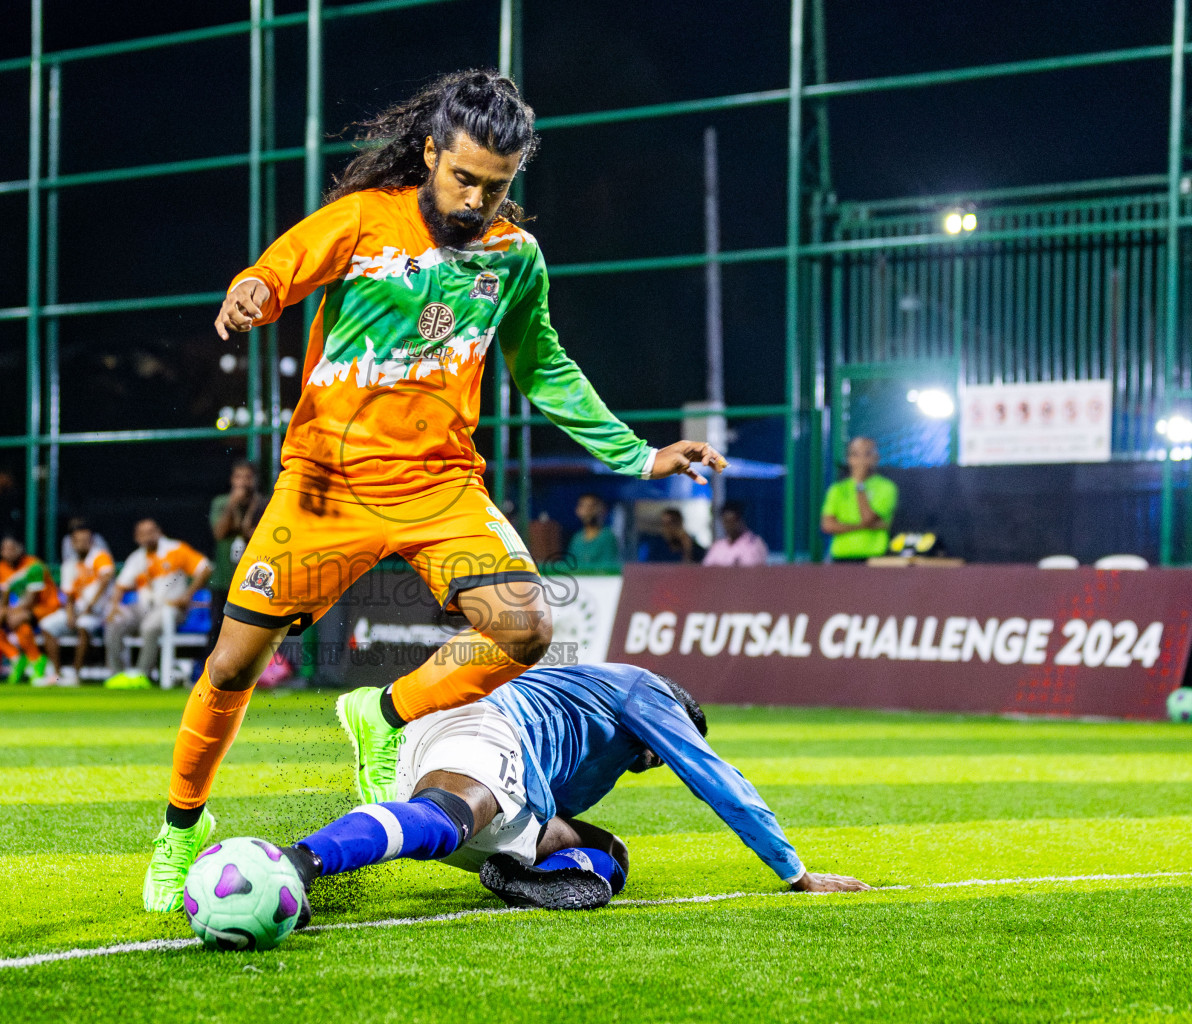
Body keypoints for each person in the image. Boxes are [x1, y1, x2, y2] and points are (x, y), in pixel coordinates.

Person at [143, 69, 724, 914]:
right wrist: (253, 293)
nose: (478, 199)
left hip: (440, 485)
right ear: (429, 154)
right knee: (232, 665)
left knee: (525, 627)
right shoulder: (363, 221)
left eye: (497, 185)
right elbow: (280, 269)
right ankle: (181, 833)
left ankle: (384, 713)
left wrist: (637, 456)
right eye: (464, 179)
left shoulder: (513, 259)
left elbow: (544, 367)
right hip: (325, 487)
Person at [267, 661, 867, 923]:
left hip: (496, 786)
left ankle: (522, 875)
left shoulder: (600, 739)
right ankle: (300, 861)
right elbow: (717, 780)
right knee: (452, 812)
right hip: (481, 728)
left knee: (609, 854)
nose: (655, 762)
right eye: (667, 745)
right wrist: (795, 873)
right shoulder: (643, 691)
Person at [104, 519, 212, 690]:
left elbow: (205, 568)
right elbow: (120, 585)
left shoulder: (175, 549)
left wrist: (187, 596)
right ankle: (117, 675)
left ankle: (141, 675)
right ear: (137, 537)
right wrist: (115, 606)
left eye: (151, 532)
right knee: (115, 621)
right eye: (143, 534)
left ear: (158, 532)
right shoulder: (137, 557)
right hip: (143, 607)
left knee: (149, 626)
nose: (147, 537)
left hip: (170, 608)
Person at [40, 519, 115, 685]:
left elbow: (106, 577)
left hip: (99, 611)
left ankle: (75, 674)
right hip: (79, 609)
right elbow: (69, 595)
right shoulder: (69, 564)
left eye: (85, 541)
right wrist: (69, 614)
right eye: (78, 541)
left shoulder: (99, 556)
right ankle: (57, 674)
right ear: (72, 543)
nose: (81, 544)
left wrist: (90, 605)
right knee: (47, 625)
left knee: (84, 625)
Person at [0, 534, 62, 685]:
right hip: (24, 610)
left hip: (47, 608)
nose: (7, 552)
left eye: (12, 548)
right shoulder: (2, 567)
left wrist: (7, 613)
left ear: (21, 549)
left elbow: (32, 600)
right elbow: (4, 599)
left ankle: (37, 661)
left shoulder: (34, 566)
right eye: (4, 549)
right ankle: (18, 658)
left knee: (18, 620)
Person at [207, 462, 265, 651]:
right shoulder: (222, 502)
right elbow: (219, 533)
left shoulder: (263, 504)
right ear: (232, 480)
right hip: (224, 578)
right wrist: (232, 504)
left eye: (247, 477)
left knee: (251, 628)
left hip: (252, 579)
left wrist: (250, 512)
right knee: (217, 626)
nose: (243, 482)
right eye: (238, 477)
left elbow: (258, 535)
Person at [821, 436, 898, 562]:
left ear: (875, 458)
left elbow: (867, 518)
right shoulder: (837, 489)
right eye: (855, 454)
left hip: (874, 557)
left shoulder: (887, 487)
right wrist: (866, 526)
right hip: (841, 557)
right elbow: (828, 525)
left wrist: (860, 485)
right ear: (849, 459)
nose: (861, 460)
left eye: (867, 454)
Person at [702, 501, 768, 567]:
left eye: (732, 521)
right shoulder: (718, 546)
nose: (729, 526)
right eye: (726, 522)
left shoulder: (754, 543)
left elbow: (751, 569)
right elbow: (707, 568)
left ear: (740, 520)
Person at [567, 493, 622, 571]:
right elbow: (570, 566)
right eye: (583, 506)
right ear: (577, 511)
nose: (588, 511)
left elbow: (608, 567)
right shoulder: (576, 538)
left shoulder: (607, 536)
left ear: (602, 510)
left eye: (592, 506)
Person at [637, 507, 706, 563]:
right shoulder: (656, 544)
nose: (667, 528)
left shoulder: (690, 544)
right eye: (664, 524)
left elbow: (703, 562)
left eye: (672, 522)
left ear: (680, 523)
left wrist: (687, 549)